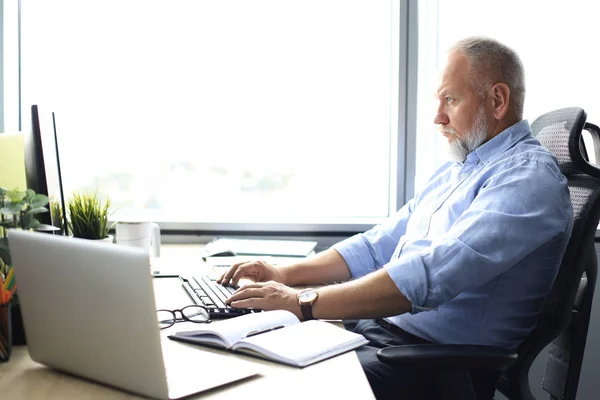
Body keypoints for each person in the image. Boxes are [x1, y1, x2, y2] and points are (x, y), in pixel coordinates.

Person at [218, 37, 573, 399]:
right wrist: (283, 274)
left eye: (450, 99)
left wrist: (303, 302)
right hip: (386, 338)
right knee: (241, 349)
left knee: (264, 385)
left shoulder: (528, 178)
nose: (437, 116)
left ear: (497, 100)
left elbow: (431, 276)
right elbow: (377, 245)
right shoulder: (460, 169)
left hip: (435, 367)